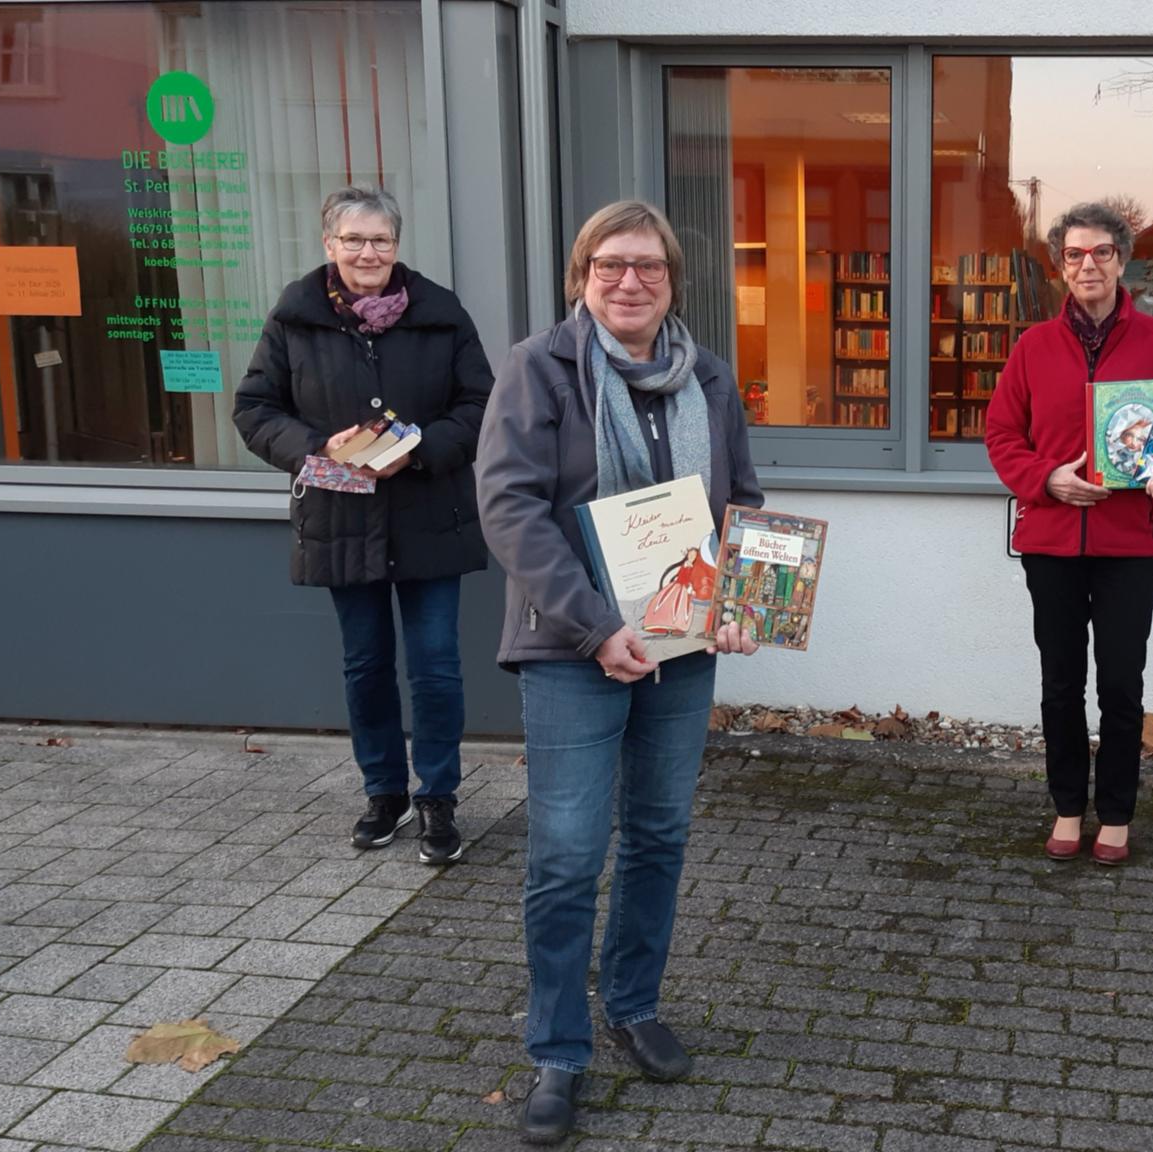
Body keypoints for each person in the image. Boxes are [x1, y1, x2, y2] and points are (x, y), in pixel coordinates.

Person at [475, 200, 763, 1145]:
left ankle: (633, 1003)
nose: (629, 281)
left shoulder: (709, 378)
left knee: (658, 833)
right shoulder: (538, 369)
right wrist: (598, 627)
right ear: (581, 277)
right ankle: (557, 1050)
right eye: (610, 265)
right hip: (571, 649)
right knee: (565, 853)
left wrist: (743, 603)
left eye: (648, 266)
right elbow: (511, 509)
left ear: (673, 280)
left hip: (679, 652)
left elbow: (743, 502)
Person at [234, 185, 492, 865]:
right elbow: (255, 410)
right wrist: (318, 449)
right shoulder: (294, 319)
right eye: (353, 239)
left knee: (436, 668)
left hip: (429, 512)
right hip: (342, 516)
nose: (367, 252)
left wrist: (420, 450)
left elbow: (480, 404)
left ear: (397, 246)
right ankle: (385, 792)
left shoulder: (442, 314)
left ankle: (438, 796)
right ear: (329, 246)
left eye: (380, 240)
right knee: (367, 665)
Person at [984, 202, 1153, 867]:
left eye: (1101, 252)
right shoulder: (1031, 348)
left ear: (1122, 259)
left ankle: (1117, 814)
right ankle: (1067, 807)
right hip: (1051, 542)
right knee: (1059, 683)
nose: (1089, 265)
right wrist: (1047, 479)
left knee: (1120, 685)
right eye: (1075, 254)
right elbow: (1001, 436)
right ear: (1059, 266)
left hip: (1131, 545)